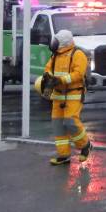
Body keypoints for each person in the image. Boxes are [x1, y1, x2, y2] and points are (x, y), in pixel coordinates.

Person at [40, 29, 92, 166]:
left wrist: (60, 80)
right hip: (58, 95)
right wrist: (47, 77)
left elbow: (78, 74)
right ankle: (63, 155)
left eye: (56, 41)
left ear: (63, 42)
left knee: (70, 121)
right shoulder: (55, 55)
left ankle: (85, 145)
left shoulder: (78, 54)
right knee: (58, 125)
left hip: (73, 94)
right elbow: (48, 68)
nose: (53, 43)